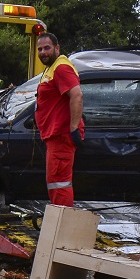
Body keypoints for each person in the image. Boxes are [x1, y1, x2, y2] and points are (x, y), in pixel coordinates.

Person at [34, 32, 84, 206]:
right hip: (54, 135)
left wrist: (73, 128)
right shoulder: (52, 67)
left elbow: (77, 95)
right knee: (56, 182)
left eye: (47, 48)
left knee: (59, 183)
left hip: (61, 136)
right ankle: (60, 222)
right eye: (40, 49)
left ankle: (62, 226)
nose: (43, 52)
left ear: (57, 48)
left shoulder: (61, 68)